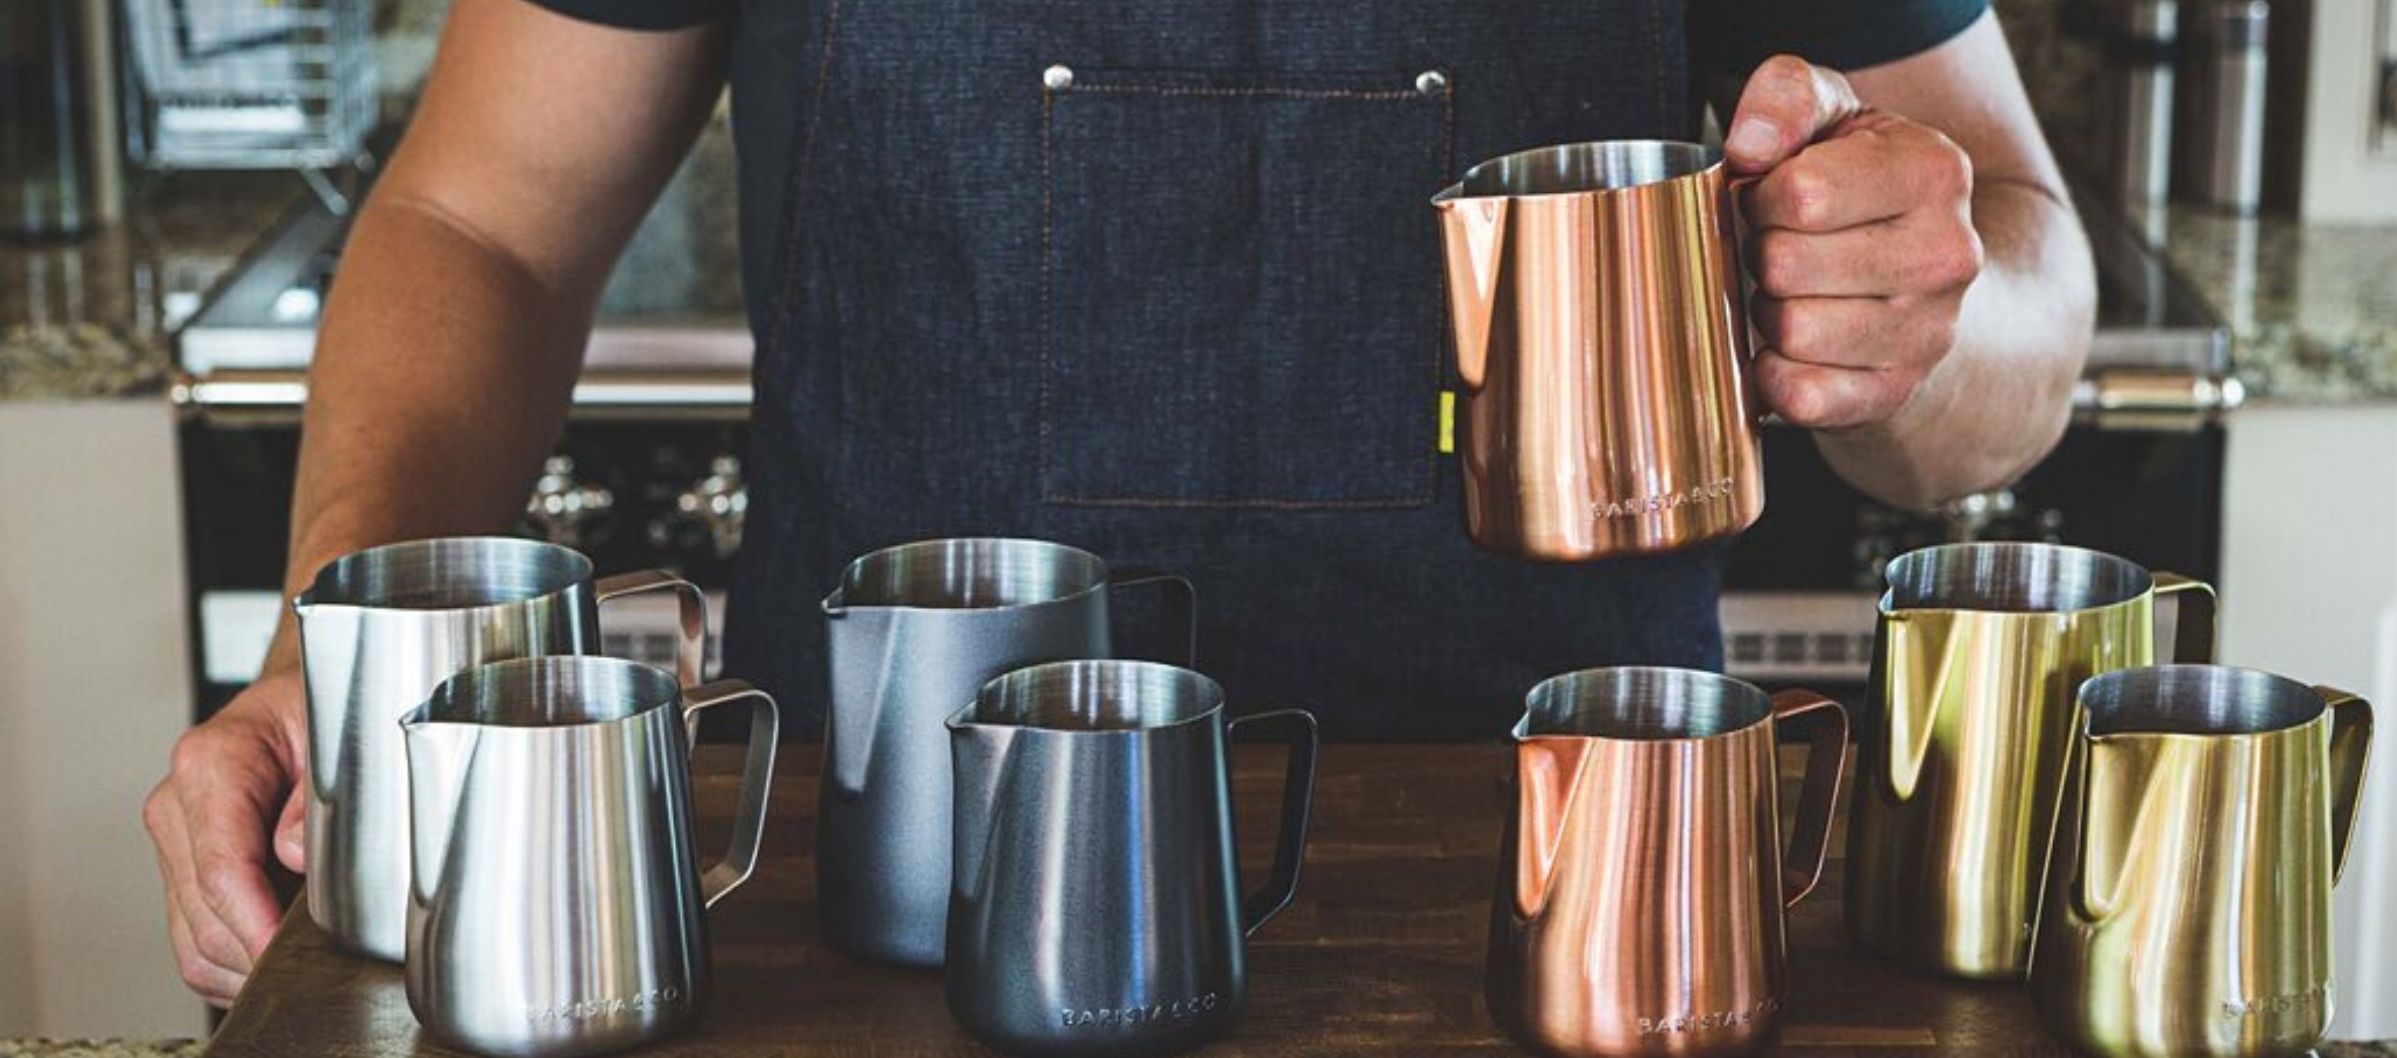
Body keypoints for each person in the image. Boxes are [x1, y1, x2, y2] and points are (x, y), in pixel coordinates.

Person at [143, 0, 2093, 1006]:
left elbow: (2018, 295)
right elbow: (481, 221)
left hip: (1577, 940)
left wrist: (1918, 308)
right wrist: (347, 645)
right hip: (888, 945)